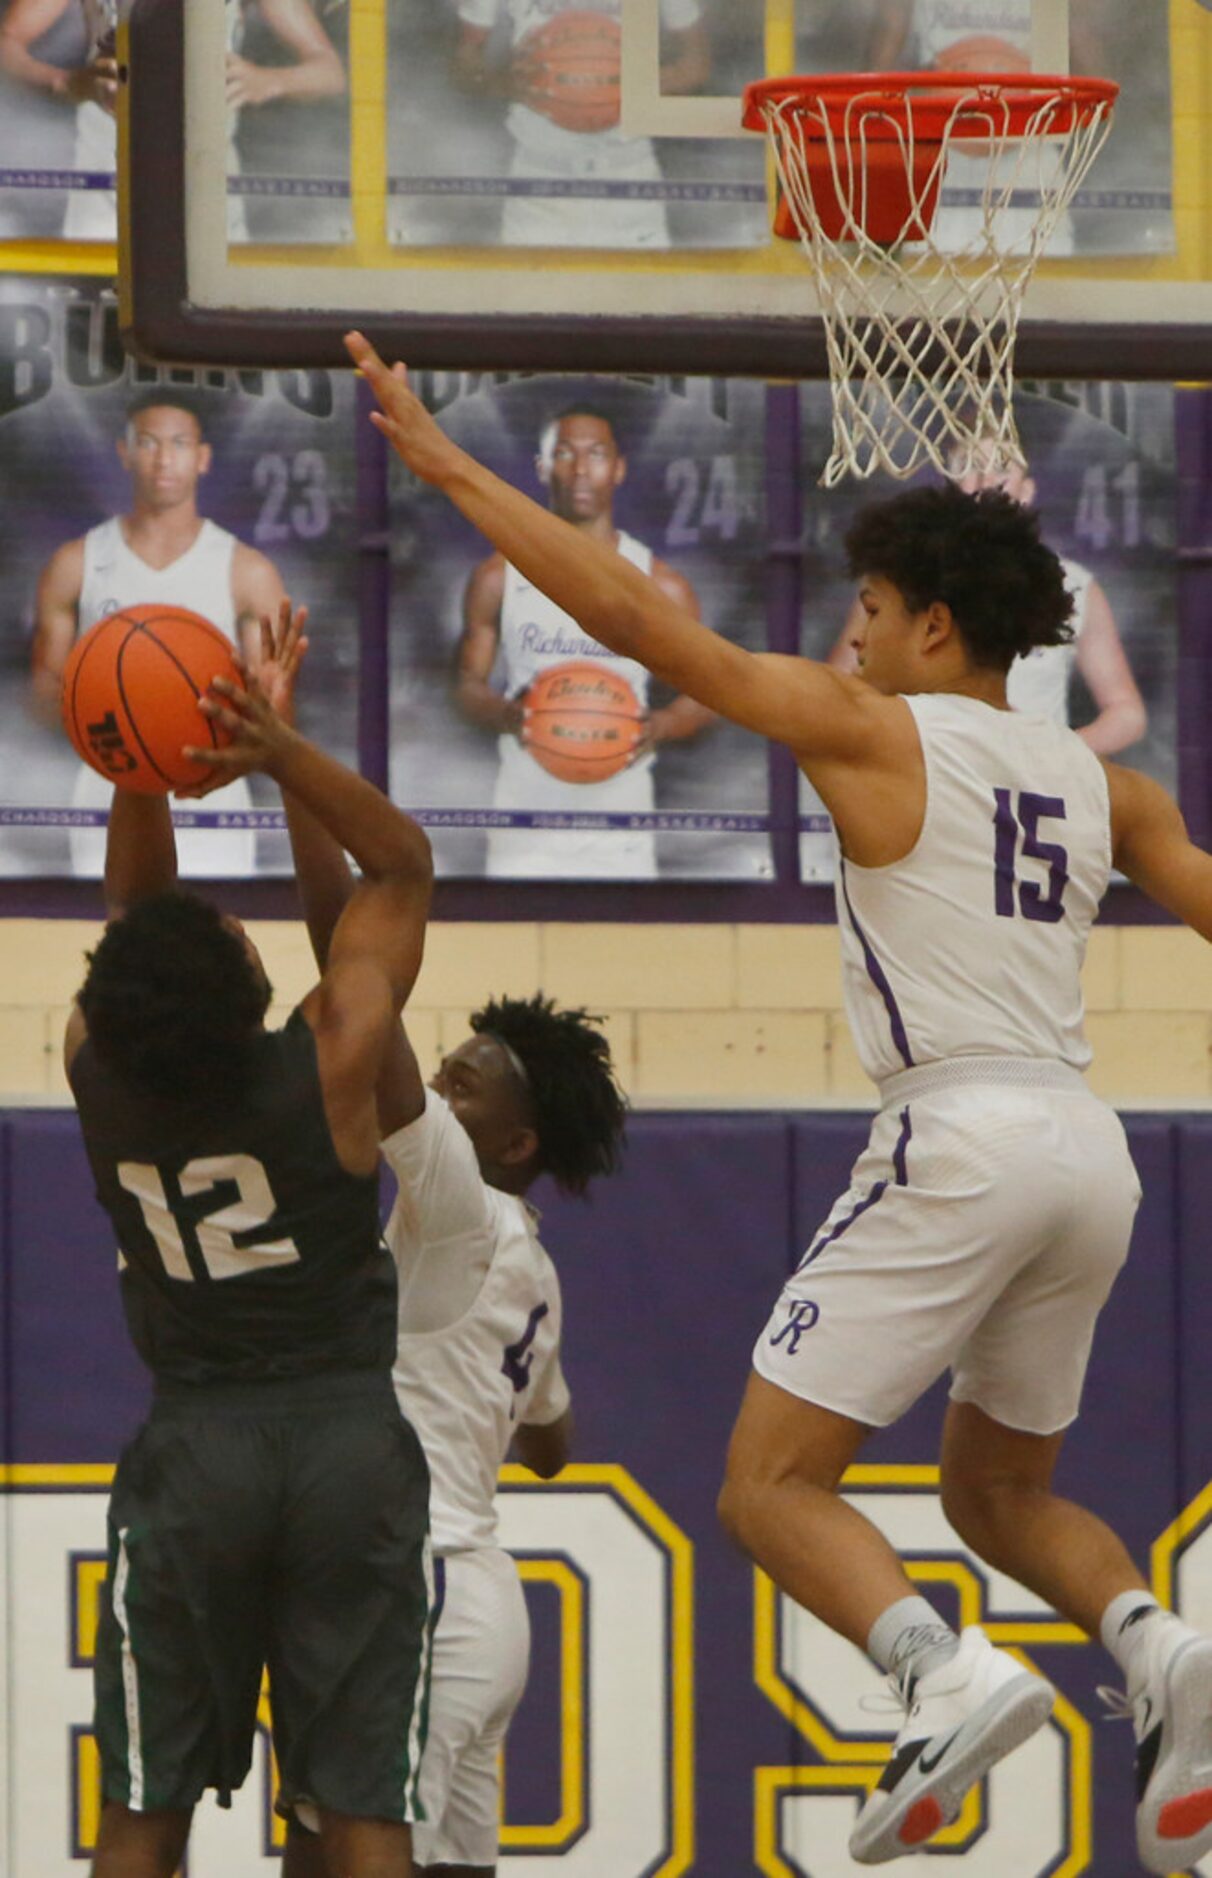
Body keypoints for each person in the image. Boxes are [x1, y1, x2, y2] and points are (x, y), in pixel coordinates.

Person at [348, 329, 1212, 1874]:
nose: (852, 634)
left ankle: (939, 1675)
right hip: (1096, 1150)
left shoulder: (875, 724)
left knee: (766, 1483)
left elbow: (635, 625)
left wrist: (454, 465)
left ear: (936, 624)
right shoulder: (1104, 783)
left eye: (872, 609)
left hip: (960, 1131)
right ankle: (1158, 1648)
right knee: (1002, 1491)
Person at [67, 603, 435, 1878]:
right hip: (342, 1440)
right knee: (363, 1809)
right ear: (247, 982)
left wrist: (138, 757)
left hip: (196, 1446)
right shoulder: (332, 1060)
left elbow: (137, 917)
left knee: (146, 1802)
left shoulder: (96, 1071)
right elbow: (398, 868)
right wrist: (279, 751)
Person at [274, 654, 628, 1877]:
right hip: (483, 1600)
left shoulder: (461, 1206)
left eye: (462, 1081)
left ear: (512, 1142)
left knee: (331, 1856)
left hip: (415, 1592)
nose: (437, 1078)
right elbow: (554, 1442)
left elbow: (355, 985)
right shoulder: (534, 1264)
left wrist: (284, 766)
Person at [30, 389, 286, 880]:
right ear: (125, 454)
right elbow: (45, 696)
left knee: (216, 945)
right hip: (108, 790)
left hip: (213, 794)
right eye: (148, 443)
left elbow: (276, 721)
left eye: (180, 444)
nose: (164, 459)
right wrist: (121, 709)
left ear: (203, 457)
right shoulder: (75, 564)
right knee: (120, 939)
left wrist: (204, 720)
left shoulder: (247, 572)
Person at [456, 402, 714, 878]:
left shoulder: (660, 585)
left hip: (620, 826)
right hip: (523, 820)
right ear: (542, 466)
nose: (580, 469)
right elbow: (468, 687)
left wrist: (662, 724)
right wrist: (507, 713)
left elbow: (712, 692)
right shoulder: (499, 576)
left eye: (596, 454)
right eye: (565, 454)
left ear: (618, 470)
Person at [830, 451, 1148, 756]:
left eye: (1000, 466)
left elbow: (1126, 711)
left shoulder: (1074, 585)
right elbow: (838, 686)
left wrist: (1056, 750)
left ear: (1027, 488)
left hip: (1031, 780)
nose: (986, 479)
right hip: (932, 766)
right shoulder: (896, 581)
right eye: (969, 465)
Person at [0, 0, 345, 241]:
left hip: (210, 194)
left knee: (205, 333)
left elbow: (329, 72)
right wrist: (66, 82)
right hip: (106, 191)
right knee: (104, 329)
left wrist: (270, 80)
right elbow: (7, 42)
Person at [448, 0, 710, 249]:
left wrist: (635, 83)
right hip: (539, 180)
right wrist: (510, 83)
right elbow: (465, 67)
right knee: (531, 295)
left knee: (640, 295)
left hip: (629, 179)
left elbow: (696, 65)